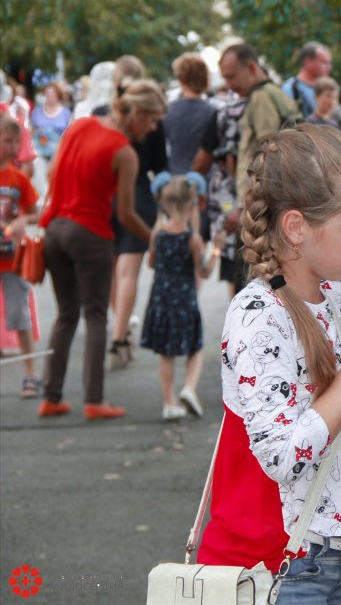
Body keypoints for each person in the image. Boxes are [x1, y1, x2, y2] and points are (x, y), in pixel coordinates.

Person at [197, 124, 341, 604]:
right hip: (269, 566)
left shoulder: (337, 294)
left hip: (319, 557)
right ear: (296, 227)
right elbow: (283, 456)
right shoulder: (257, 318)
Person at [38, 79, 166, 420]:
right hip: (90, 234)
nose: (153, 129)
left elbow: (51, 172)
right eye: (152, 120)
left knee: (66, 314)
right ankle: (94, 400)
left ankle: (51, 396)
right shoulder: (124, 152)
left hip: (55, 230)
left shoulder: (79, 125)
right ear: (136, 112)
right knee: (96, 315)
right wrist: (153, 237)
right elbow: (125, 214)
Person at [93, 55, 169, 368]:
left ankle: (117, 326)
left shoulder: (100, 115)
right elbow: (161, 166)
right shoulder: (155, 118)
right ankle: (119, 337)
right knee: (128, 273)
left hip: (106, 195)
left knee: (111, 269)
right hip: (138, 195)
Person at [218, 43, 300, 292]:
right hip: (274, 201)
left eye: (232, 76)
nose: (229, 85)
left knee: (248, 284)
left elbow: (266, 155)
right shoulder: (272, 93)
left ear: (252, 67)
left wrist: (245, 206)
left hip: (260, 206)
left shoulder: (262, 97)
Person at [140, 173, 220, 421]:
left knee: (167, 353)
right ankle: (189, 388)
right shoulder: (192, 239)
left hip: (162, 299)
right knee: (195, 346)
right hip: (185, 300)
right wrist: (216, 249)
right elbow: (204, 272)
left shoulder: (158, 234)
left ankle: (169, 402)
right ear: (191, 204)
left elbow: (152, 263)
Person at [0, 114, 41, 397]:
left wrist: (22, 221)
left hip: (12, 259)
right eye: (7, 141)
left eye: (17, 141)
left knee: (19, 314)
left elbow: (35, 209)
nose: (13, 147)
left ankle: (30, 374)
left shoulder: (18, 178)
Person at [192, 89, 244, 298]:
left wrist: (216, 248)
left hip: (227, 201)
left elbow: (205, 271)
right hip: (235, 202)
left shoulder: (222, 116)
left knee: (233, 269)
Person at [163, 53, 216, 175]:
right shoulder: (213, 111)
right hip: (204, 179)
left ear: (181, 77)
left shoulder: (168, 110)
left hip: (174, 177)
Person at [282, 41, 333, 119]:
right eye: (324, 62)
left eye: (329, 63)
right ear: (308, 62)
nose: (329, 67)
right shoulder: (291, 88)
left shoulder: (327, 90)